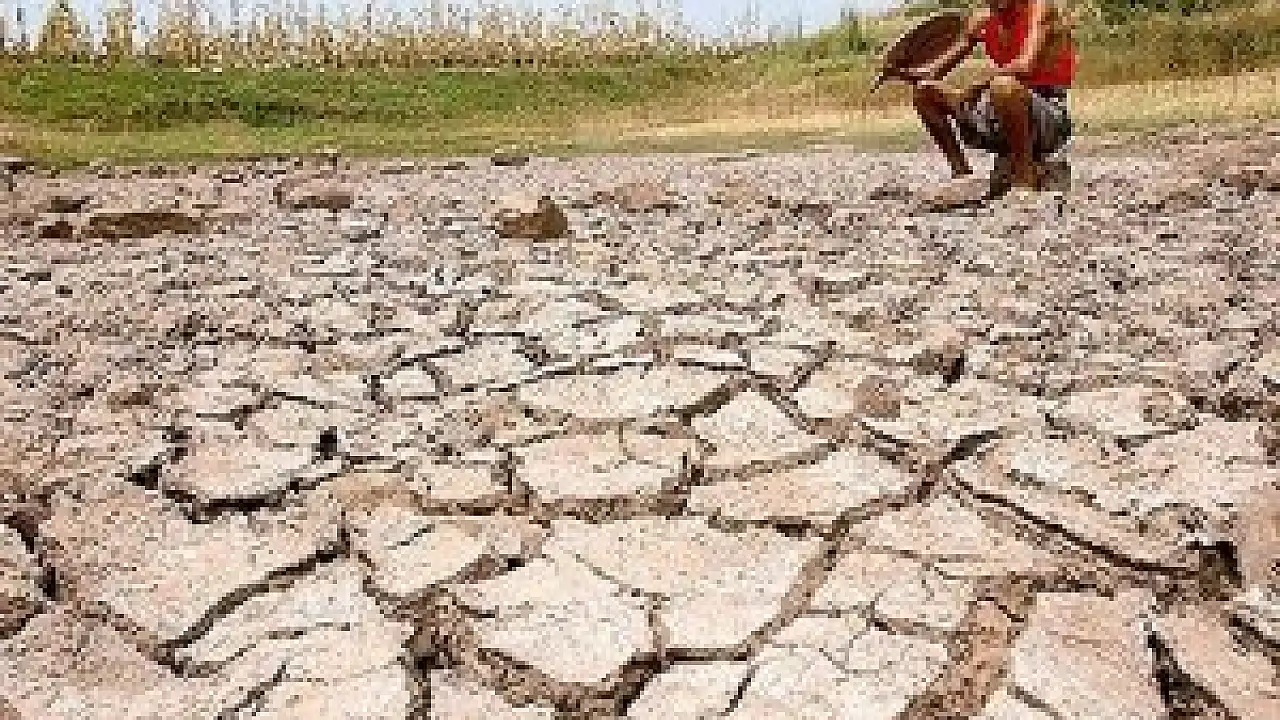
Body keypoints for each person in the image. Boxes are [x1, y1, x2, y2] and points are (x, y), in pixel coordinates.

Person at [903, 0, 1077, 191]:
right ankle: (962, 175)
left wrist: (977, 86)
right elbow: (933, 72)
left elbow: (1024, 65)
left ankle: (1024, 177)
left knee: (1003, 86)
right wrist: (905, 71)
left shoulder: (1038, 7)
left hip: (1047, 114)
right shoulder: (982, 21)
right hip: (998, 113)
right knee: (925, 92)